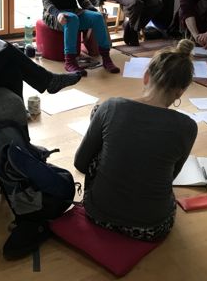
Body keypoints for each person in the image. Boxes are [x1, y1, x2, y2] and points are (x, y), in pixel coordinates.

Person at [74, 39, 198, 241]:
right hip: (153, 227)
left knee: (100, 118)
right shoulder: (188, 127)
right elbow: (171, 177)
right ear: (181, 91)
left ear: (146, 76)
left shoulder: (111, 107)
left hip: (98, 214)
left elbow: (80, 163)